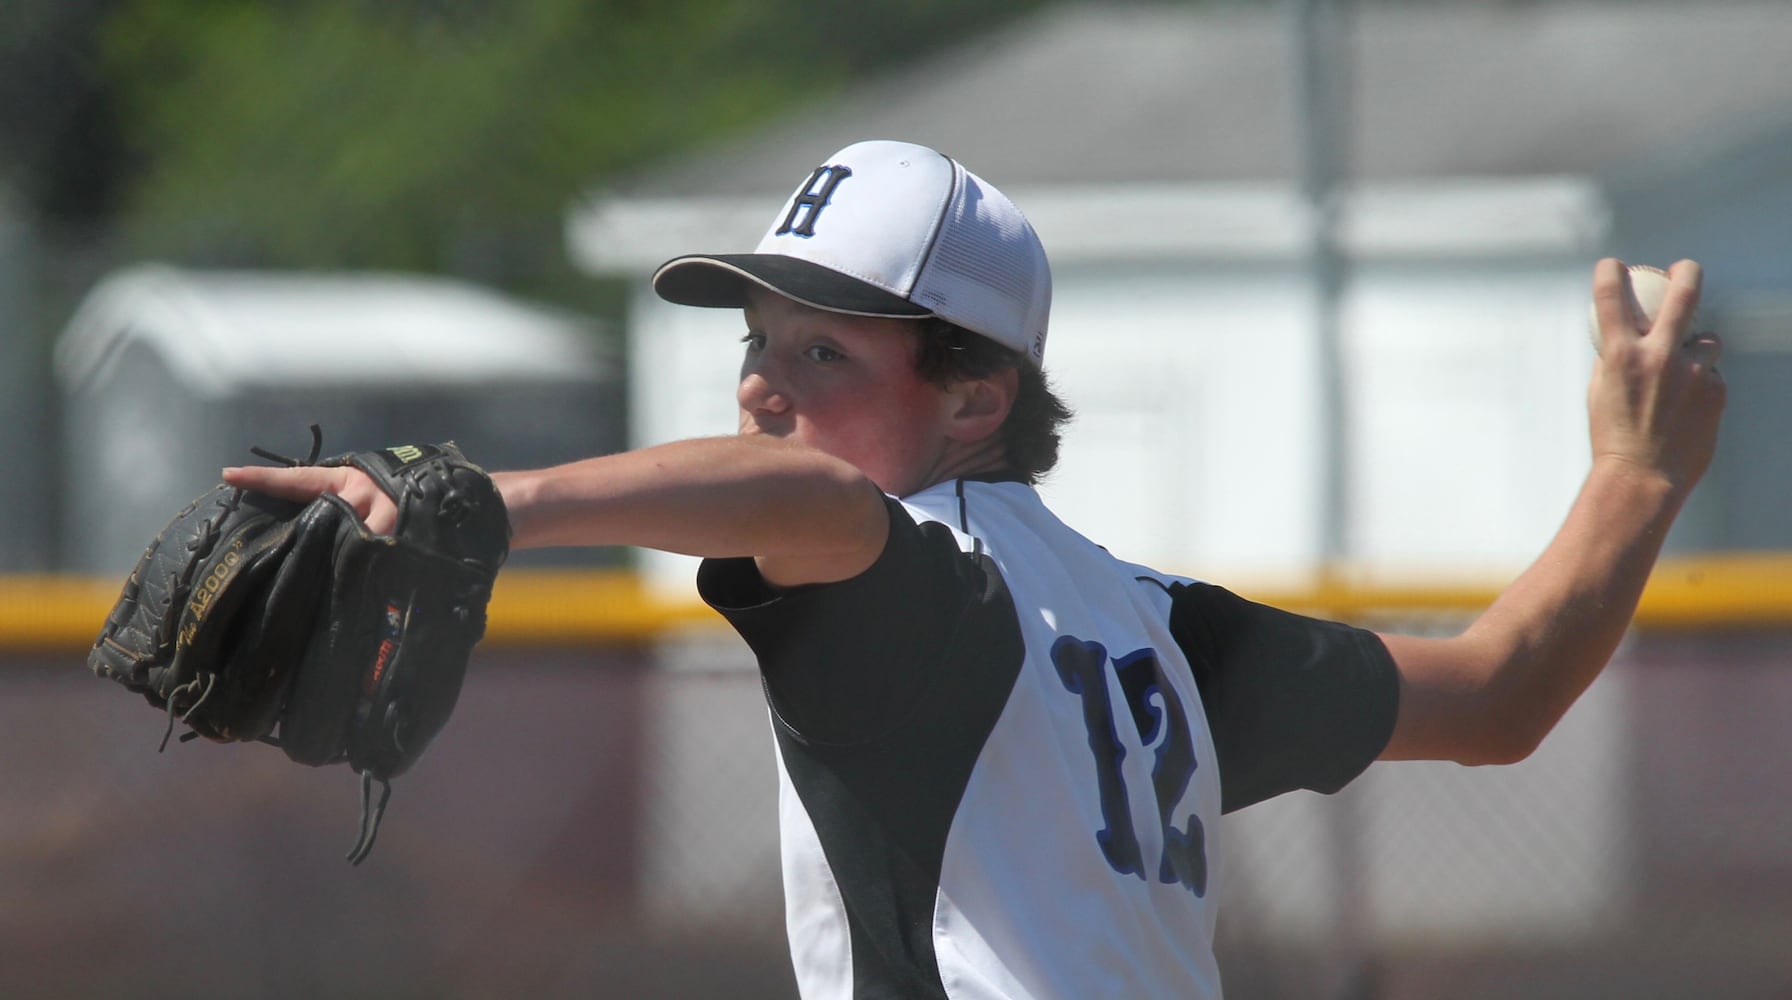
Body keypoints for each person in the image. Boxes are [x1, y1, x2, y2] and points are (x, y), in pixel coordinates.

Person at [224, 139, 1726, 998]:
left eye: (825, 349)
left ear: (974, 393)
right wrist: (1637, 479)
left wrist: (488, 500)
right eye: (757, 343)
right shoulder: (1160, 637)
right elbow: (1499, 692)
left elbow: (807, 505)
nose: (764, 383)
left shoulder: (924, 592)